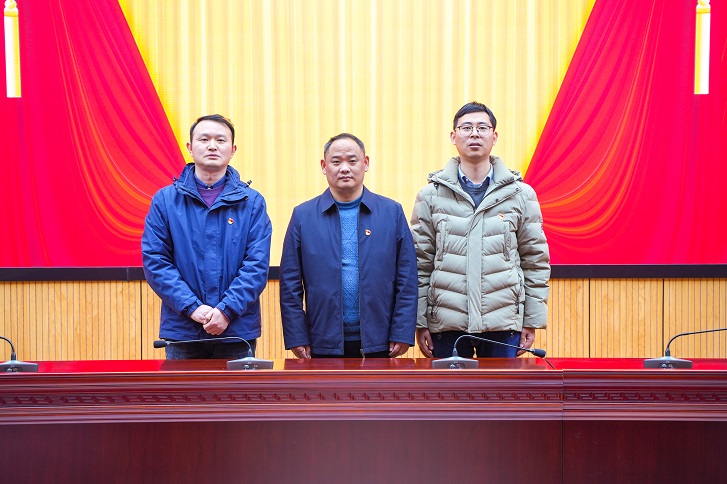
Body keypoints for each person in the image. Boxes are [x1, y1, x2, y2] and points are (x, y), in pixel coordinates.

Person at [410, 102, 550, 359]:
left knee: (501, 386)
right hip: (446, 323)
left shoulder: (520, 194)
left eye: (482, 128)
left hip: (504, 323)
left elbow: (535, 261)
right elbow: (420, 263)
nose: (474, 133)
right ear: (453, 136)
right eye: (466, 128)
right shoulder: (430, 195)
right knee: (449, 387)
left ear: (494, 137)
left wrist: (531, 320)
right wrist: (420, 322)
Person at [142, 114, 272, 359]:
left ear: (232, 150)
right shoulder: (165, 201)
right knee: (183, 387)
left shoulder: (252, 202)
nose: (212, 146)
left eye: (220, 140)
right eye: (204, 139)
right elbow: (156, 262)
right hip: (183, 329)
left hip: (236, 331)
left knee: (237, 387)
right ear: (190, 148)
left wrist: (226, 311)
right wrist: (192, 307)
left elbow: (257, 265)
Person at [280, 133, 417, 358]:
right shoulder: (303, 216)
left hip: (380, 340)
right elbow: (290, 284)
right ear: (324, 166)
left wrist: (402, 331)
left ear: (366, 163)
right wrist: (297, 335)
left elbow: (407, 278)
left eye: (352, 161)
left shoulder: (391, 212)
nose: (345, 168)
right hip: (322, 340)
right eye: (336, 161)